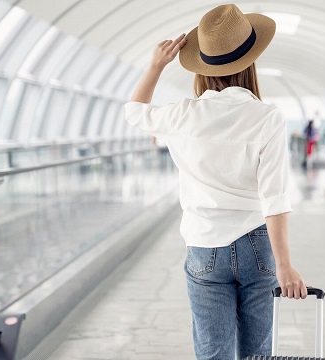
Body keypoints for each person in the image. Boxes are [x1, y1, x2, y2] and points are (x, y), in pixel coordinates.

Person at [123, 4, 307, 359]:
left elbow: (133, 112)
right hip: (257, 245)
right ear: (250, 63)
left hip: (204, 245)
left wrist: (155, 65)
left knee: (212, 352)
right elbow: (275, 197)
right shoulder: (268, 118)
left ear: (203, 68)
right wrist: (284, 266)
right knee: (258, 352)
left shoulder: (182, 114)